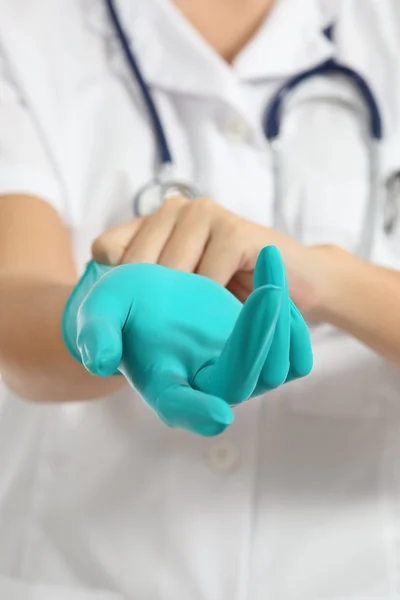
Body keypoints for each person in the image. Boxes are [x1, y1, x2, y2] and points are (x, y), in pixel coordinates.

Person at [0, 0, 400, 597]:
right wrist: (94, 315)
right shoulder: (24, 32)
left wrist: (330, 281)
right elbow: (13, 298)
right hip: (86, 570)